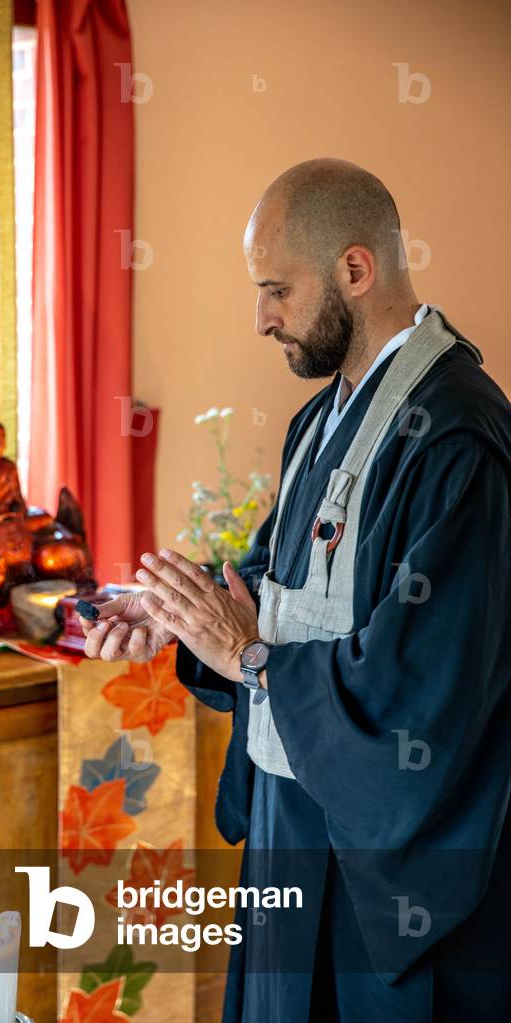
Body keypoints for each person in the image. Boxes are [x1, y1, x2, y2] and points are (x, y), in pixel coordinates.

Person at [80, 159, 510, 1022]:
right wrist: (174, 614)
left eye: (276, 289)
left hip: (388, 888)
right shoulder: (322, 419)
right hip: (290, 840)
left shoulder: (456, 441)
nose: (261, 318)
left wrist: (247, 650)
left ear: (356, 270)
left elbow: (424, 697)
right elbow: (273, 594)